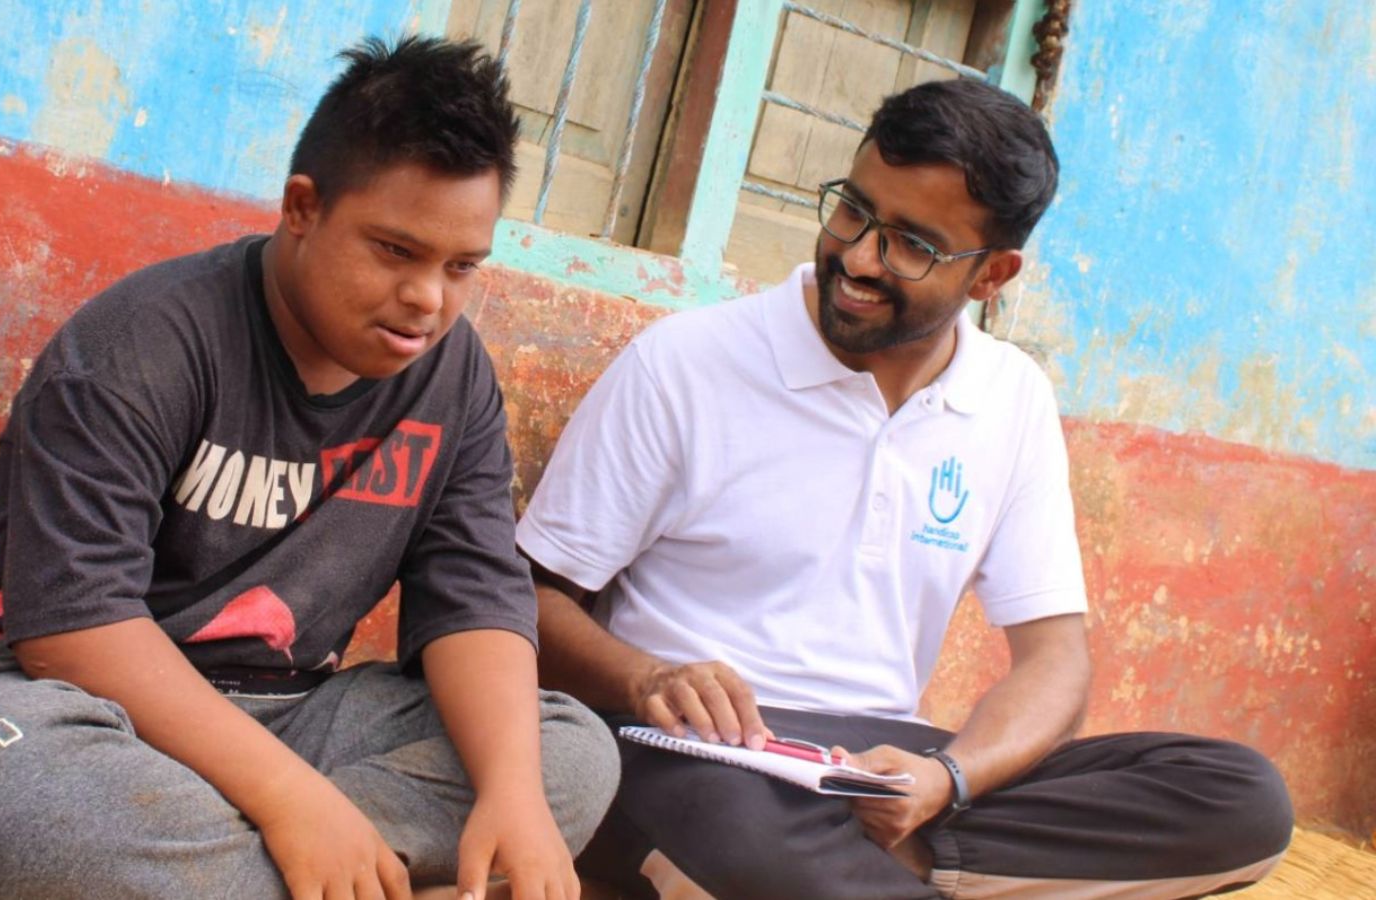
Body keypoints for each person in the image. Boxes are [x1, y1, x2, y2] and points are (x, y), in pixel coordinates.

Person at [0, 35, 618, 900]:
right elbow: (72, 629)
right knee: (47, 818)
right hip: (43, 699)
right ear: (302, 208)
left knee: (566, 751)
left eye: (461, 268)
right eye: (394, 251)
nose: (428, 300)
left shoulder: (454, 379)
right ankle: (317, 863)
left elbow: (477, 602)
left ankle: (258, 870)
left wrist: (513, 798)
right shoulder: (143, 343)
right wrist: (290, 800)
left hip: (290, 709)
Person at [517, 78, 1293, 899]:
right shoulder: (687, 363)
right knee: (732, 824)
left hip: (882, 772)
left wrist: (946, 778)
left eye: (911, 245)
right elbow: (526, 597)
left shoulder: (1010, 398)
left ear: (993, 275)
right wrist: (646, 679)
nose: (856, 257)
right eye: (853, 210)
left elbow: (1056, 662)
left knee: (1236, 797)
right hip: (694, 754)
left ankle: (887, 867)